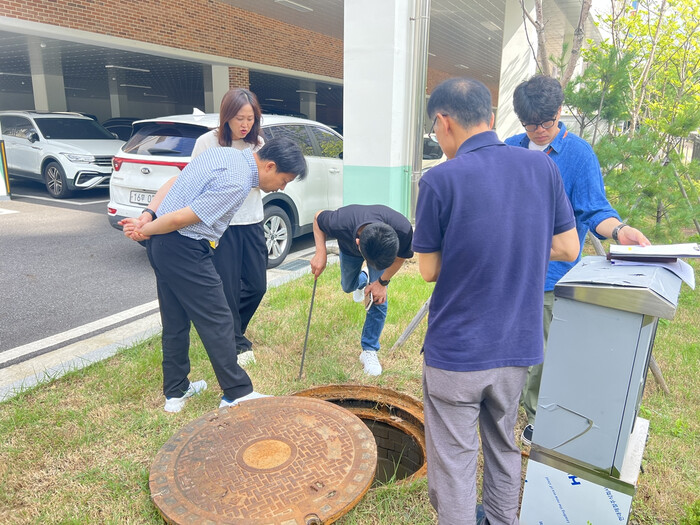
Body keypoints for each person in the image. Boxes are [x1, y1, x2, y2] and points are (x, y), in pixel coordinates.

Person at [413, 77, 579, 524]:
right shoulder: (541, 168)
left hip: (456, 352)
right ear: (489, 118)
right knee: (504, 446)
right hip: (517, 345)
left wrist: (476, 244)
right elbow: (568, 248)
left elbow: (428, 269)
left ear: (444, 122)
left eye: (434, 128)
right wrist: (516, 242)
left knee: (455, 460)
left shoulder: (439, 180)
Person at [504, 75, 651, 445]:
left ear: (559, 112)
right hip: (507, 270)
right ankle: (501, 404)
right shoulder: (510, 149)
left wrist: (620, 231)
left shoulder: (578, 155)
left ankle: (536, 417)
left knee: (541, 353)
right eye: (530, 124)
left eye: (546, 122)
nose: (539, 130)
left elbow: (594, 209)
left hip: (549, 274)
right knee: (504, 343)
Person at [119, 137, 306, 413]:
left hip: (162, 245)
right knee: (219, 317)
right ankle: (237, 392)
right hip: (183, 247)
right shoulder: (238, 182)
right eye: (284, 180)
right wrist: (142, 229)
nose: (282, 187)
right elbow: (181, 219)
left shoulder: (222, 155)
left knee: (175, 320)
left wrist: (147, 217)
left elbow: (174, 182)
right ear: (270, 166)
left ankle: (176, 391)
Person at [191, 88, 267, 368]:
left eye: (250, 118)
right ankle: (235, 341)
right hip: (221, 226)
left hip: (253, 221)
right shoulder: (207, 143)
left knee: (257, 286)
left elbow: (264, 180)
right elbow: (195, 181)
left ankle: (232, 330)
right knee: (228, 288)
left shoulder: (258, 144)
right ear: (226, 117)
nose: (244, 125)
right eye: (239, 119)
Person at [309, 204, 413, 376]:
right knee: (347, 286)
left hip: (380, 250)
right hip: (349, 250)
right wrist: (321, 251)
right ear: (358, 242)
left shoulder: (402, 228)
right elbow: (317, 217)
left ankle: (369, 350)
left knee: (378, 297)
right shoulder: (340, 222)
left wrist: (382, 282)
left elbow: (401, 257)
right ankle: (364, 277)